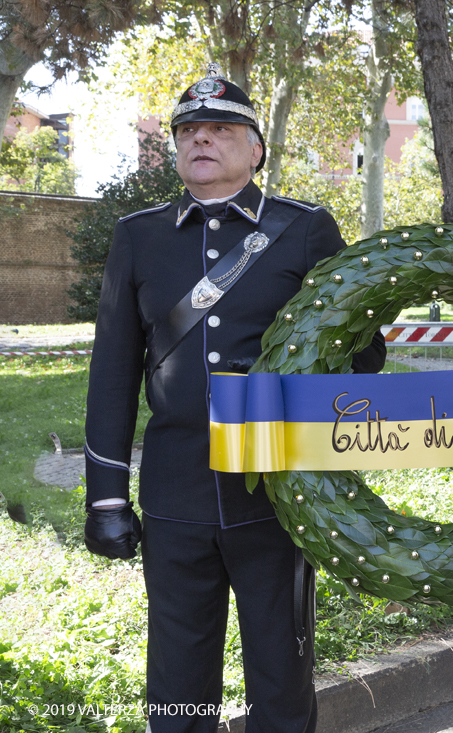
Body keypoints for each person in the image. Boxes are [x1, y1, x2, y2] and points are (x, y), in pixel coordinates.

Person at [82, 63, 386, 733]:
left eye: (221, 129)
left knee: (281, 681)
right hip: (176, 498)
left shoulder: (304, 229)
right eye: (189, 129)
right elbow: (112, 374)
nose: (201, 140)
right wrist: (105, 497)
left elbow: (363, 350)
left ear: (255, 149)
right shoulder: (140, 234)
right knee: (178, 687)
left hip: (276, 499)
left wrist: (302, 416)